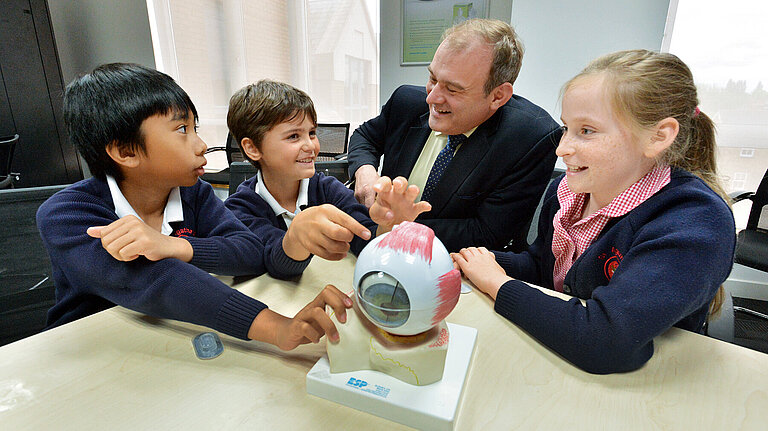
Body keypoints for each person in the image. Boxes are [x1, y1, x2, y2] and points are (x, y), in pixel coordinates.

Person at [452, 50, 736, 374]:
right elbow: (544, 268)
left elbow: (605, 340)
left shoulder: (693, 220)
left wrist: (497, 284)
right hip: (560, 360)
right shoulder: (572, 192)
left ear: (658, 136)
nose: (562, 149)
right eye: (566, 128)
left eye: (586, 131)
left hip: (648, 386)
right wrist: (471, 261)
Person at [37, 63, 351, 351]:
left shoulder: (193, 193)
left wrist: (175, 246)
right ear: (126, 151)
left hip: (167, 341)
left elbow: (251, 252)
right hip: (92, 351)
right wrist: (278, 329)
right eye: (182, 130)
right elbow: (159, 281)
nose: (201, 145)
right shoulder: (68, 215)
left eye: (195, 128)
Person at [347, 19, 562, 252]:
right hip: (377, 249)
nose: (432, 98)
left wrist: (399, 225)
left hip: (457, 267)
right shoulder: (406, 102)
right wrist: (365, 174)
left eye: (453, 89)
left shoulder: (530, 138)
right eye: (432, 79)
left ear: (498, 96)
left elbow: (486, 233)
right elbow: (365, 137)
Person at [224, 79, 430, 278]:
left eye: (312, 133)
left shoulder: (328, 189)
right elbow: (278, 264)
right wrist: (297, 234)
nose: (310, 146)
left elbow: (365, 238)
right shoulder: (240, 208)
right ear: (252, 148)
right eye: (293, 136)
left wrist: (388, 226)